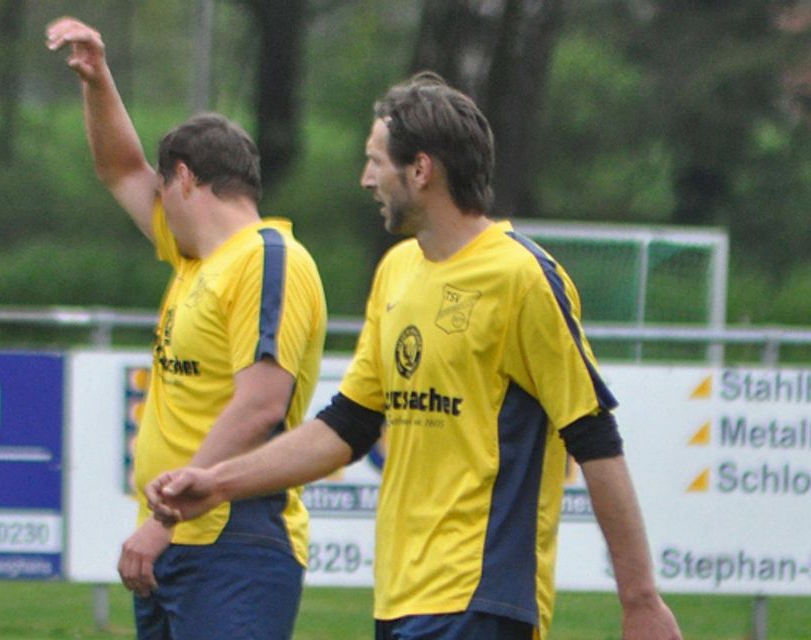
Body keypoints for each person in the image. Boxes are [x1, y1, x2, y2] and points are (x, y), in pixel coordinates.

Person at [146, 72, 683, 640]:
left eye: (376, 161)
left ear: (421, 170)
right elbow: (347, 426)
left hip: (483, 595)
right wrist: (218, 483)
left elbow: (593, 436)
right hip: (401, 597)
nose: (366, 178)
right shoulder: (397, 271)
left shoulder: (522, 278)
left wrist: (640, 600)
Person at [45, 17, 327, 640]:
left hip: (232, 542)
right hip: (176, 542)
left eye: (162, 184)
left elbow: (260, 405)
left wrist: (163, 519)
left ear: (186, 180)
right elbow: (119, 168)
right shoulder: (197, 257)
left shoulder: (266, 258)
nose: (152, 196)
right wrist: (96, 79)